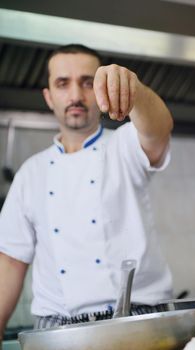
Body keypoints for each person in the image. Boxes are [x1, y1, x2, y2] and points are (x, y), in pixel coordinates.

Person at [0, 44, 173, 337]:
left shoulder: (124, 145)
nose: (76, 96)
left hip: (137, 319)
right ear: (49, 96)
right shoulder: (31, 173)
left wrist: (135, 90)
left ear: (102, 90)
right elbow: (9, 262)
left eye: (88, 82)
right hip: (58, 329)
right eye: (62, 83)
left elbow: (159, 128)